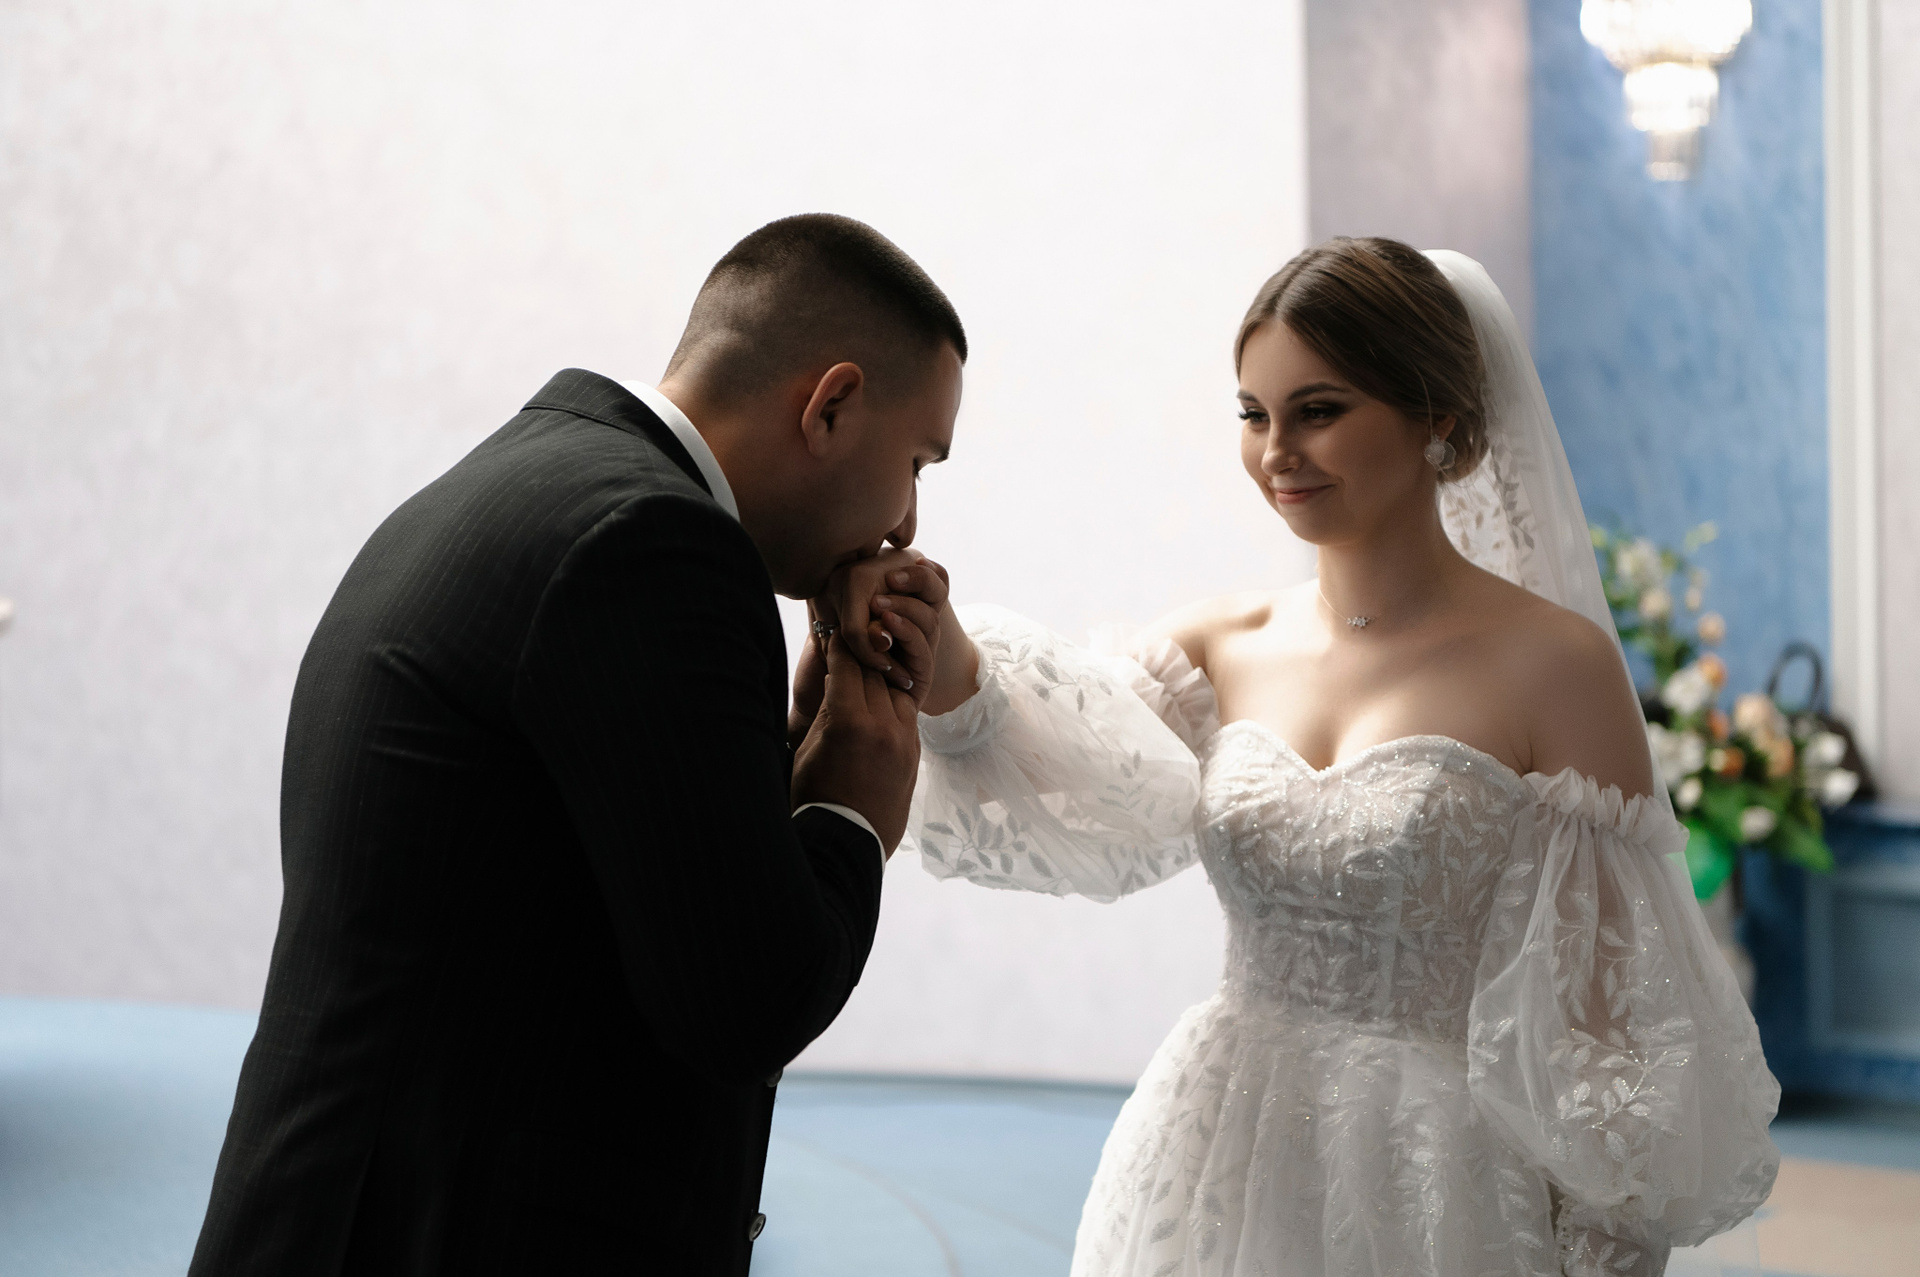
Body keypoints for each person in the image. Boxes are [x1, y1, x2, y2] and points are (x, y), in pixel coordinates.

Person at [826, 238, 1780, 1276]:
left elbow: (1609, 1019)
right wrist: (941, 647)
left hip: (1442, 1185)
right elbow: (1067, 770)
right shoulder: (1217, 646)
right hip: (1224, 1153)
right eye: (1254, 414)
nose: (1277, 451)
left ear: (1438, 418)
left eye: (1318, 410)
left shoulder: (1557, 666)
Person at [188, 214, 963, 1276]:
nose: (907, 522)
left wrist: (785, 754)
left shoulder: (525, 483)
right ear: (830, 404)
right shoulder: (661, 547)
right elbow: (746, 1003)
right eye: (917, 460)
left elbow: (570, 883)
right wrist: (850, 808)